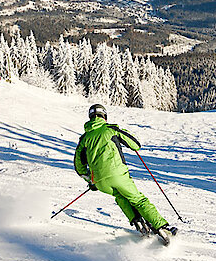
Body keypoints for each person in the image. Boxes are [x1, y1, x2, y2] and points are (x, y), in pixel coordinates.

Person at [74, 104, 177, 242]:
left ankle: (138, 223)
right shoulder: (111, 130)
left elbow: (79, 167)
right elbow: (136, 144)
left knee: (120, 196)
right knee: (138, 199)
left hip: (100, 182)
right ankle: (161, 228)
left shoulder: (84, 139)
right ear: (104, 116)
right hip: (118, 175)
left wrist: (91, 181)